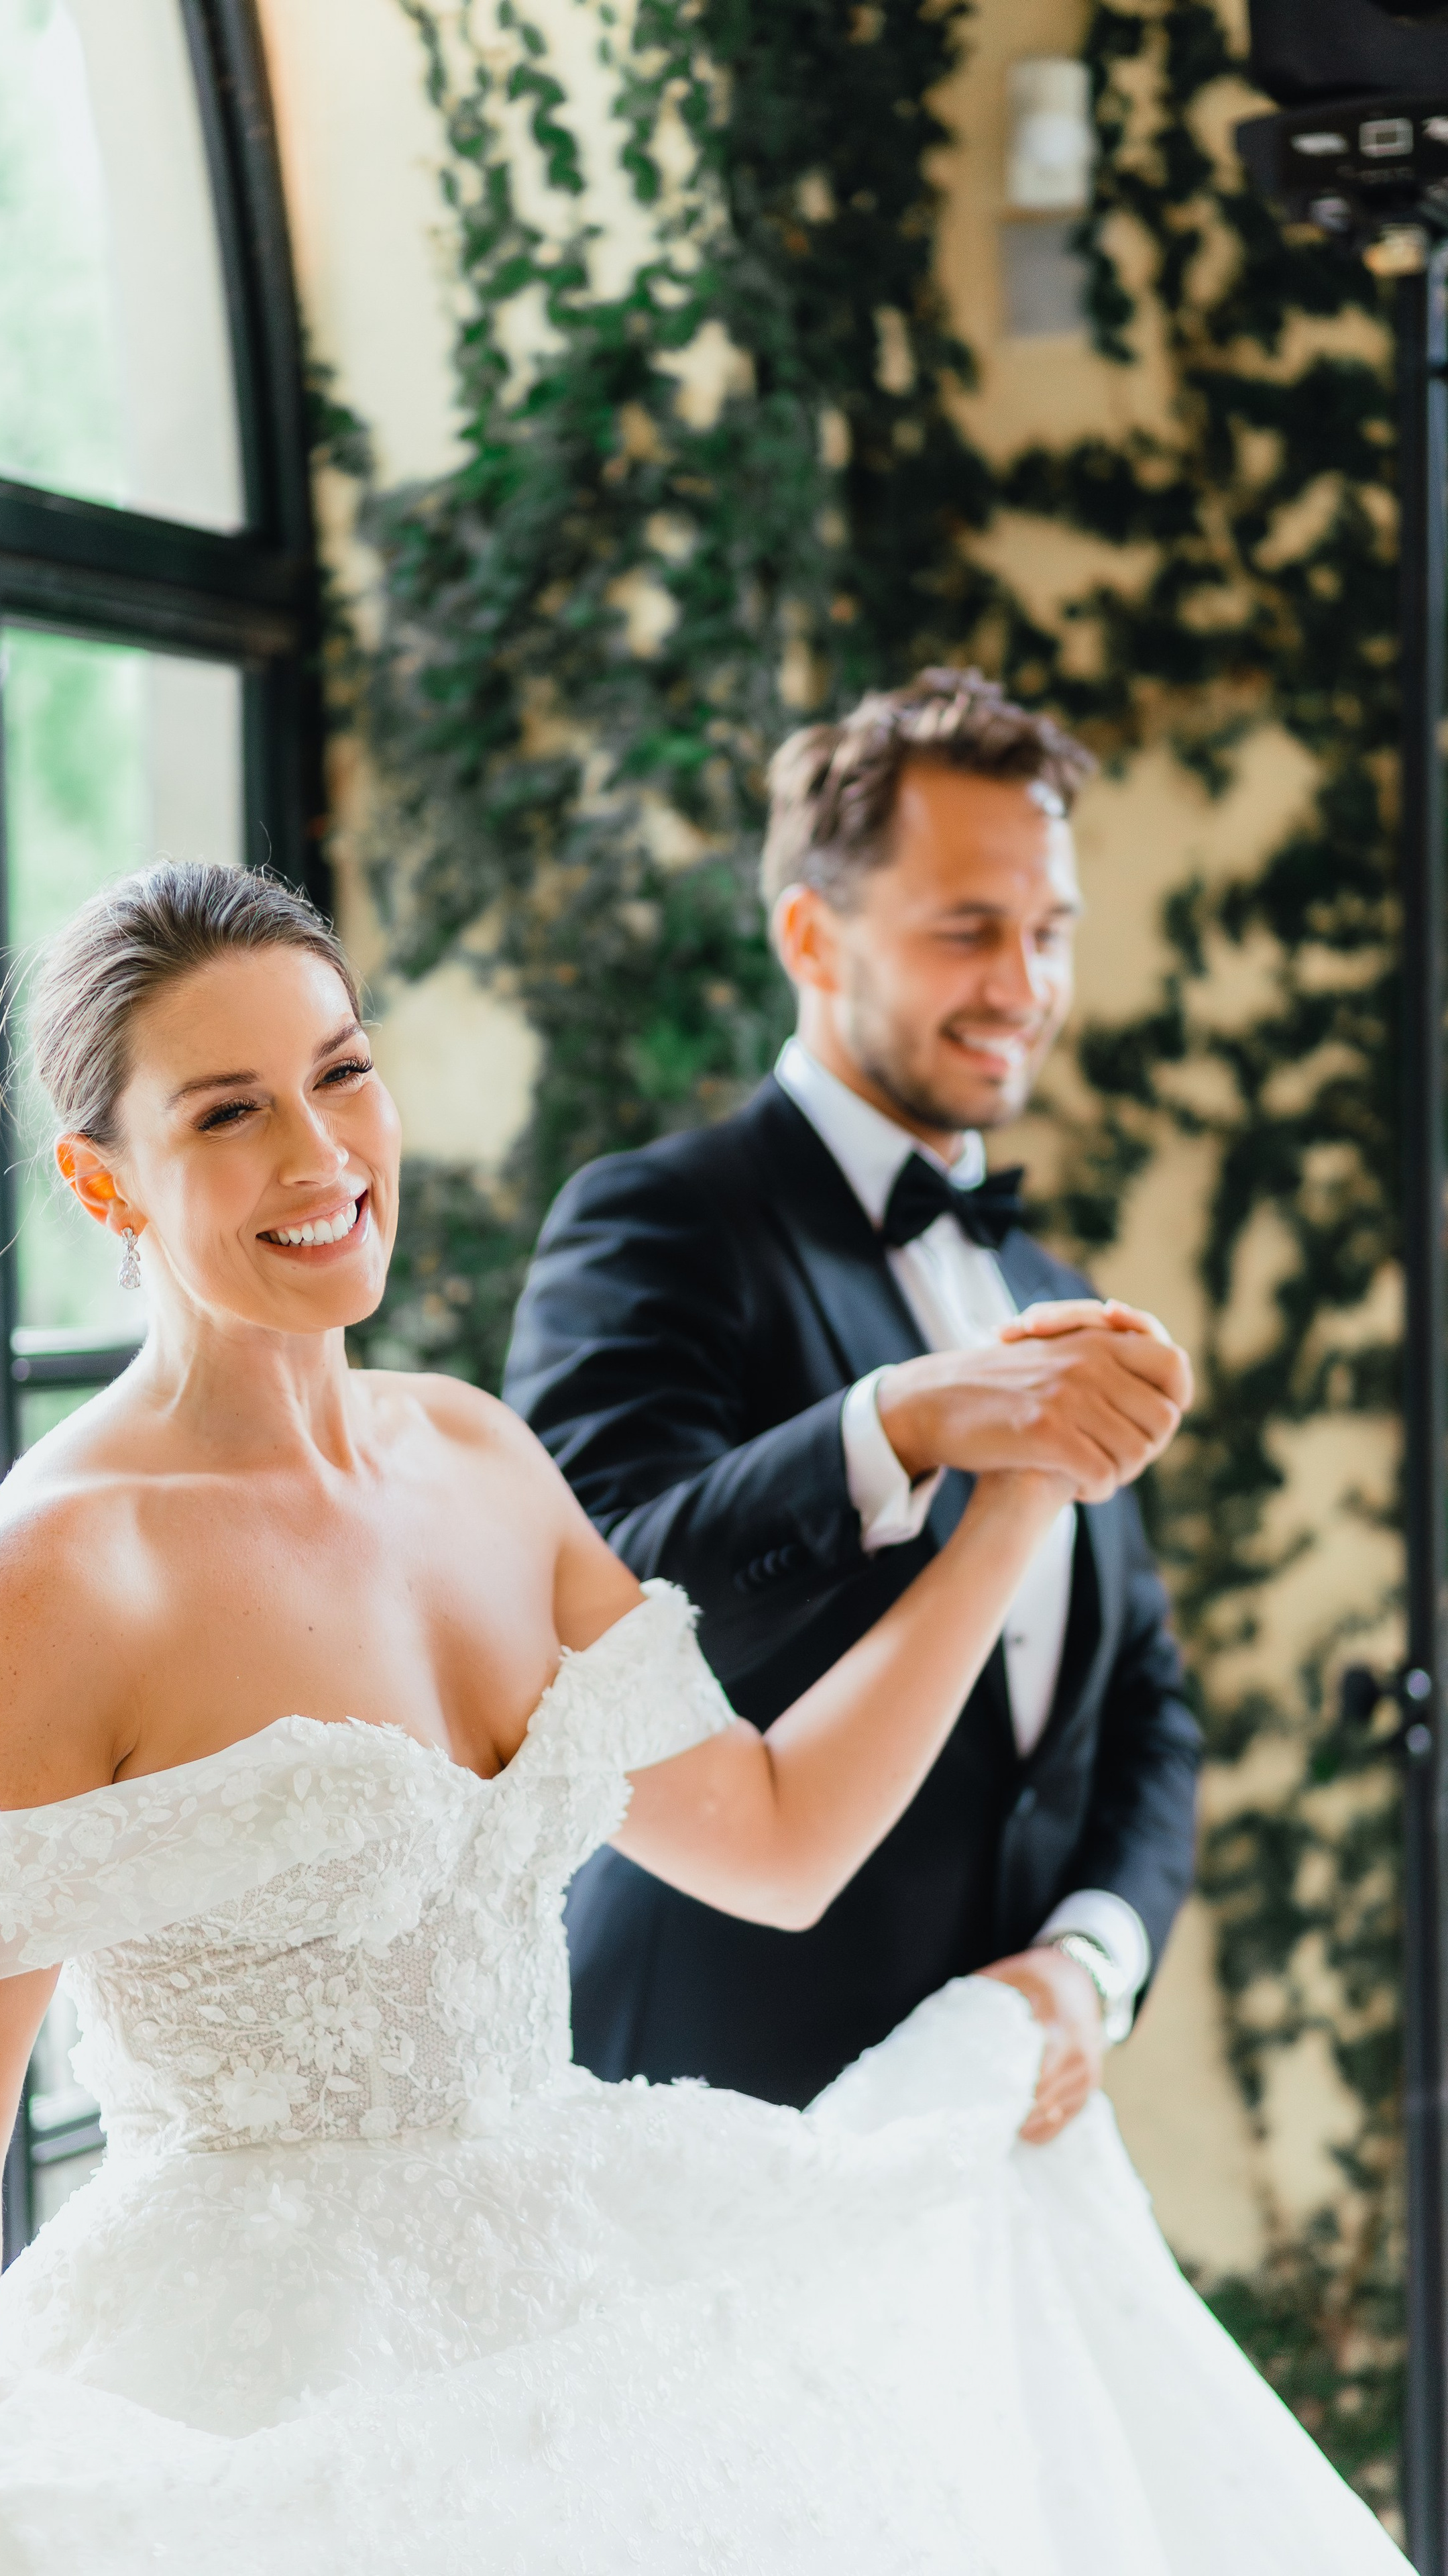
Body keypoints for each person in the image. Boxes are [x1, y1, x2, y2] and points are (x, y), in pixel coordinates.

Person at [0, 863, 1400, 2576]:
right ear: (100, 1179)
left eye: (342, 1073)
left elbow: (775, 1840)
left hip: (585, 2283)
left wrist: (1020, 1495)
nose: (322, 1155)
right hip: (271, 2391)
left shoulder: (478, 1457)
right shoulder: (61, 1573)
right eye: (228, 1112)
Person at [504, 667, 1199, 2138]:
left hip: (988, 2123)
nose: (1024, 986)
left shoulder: (1050, 1290)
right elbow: (598, 1609)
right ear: (812, 936)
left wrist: (1090, 1963)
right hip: (711, 2109)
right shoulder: (656, 1223)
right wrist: (901, 1420)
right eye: (967, 930)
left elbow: (1143, 1700)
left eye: (1048, 932)